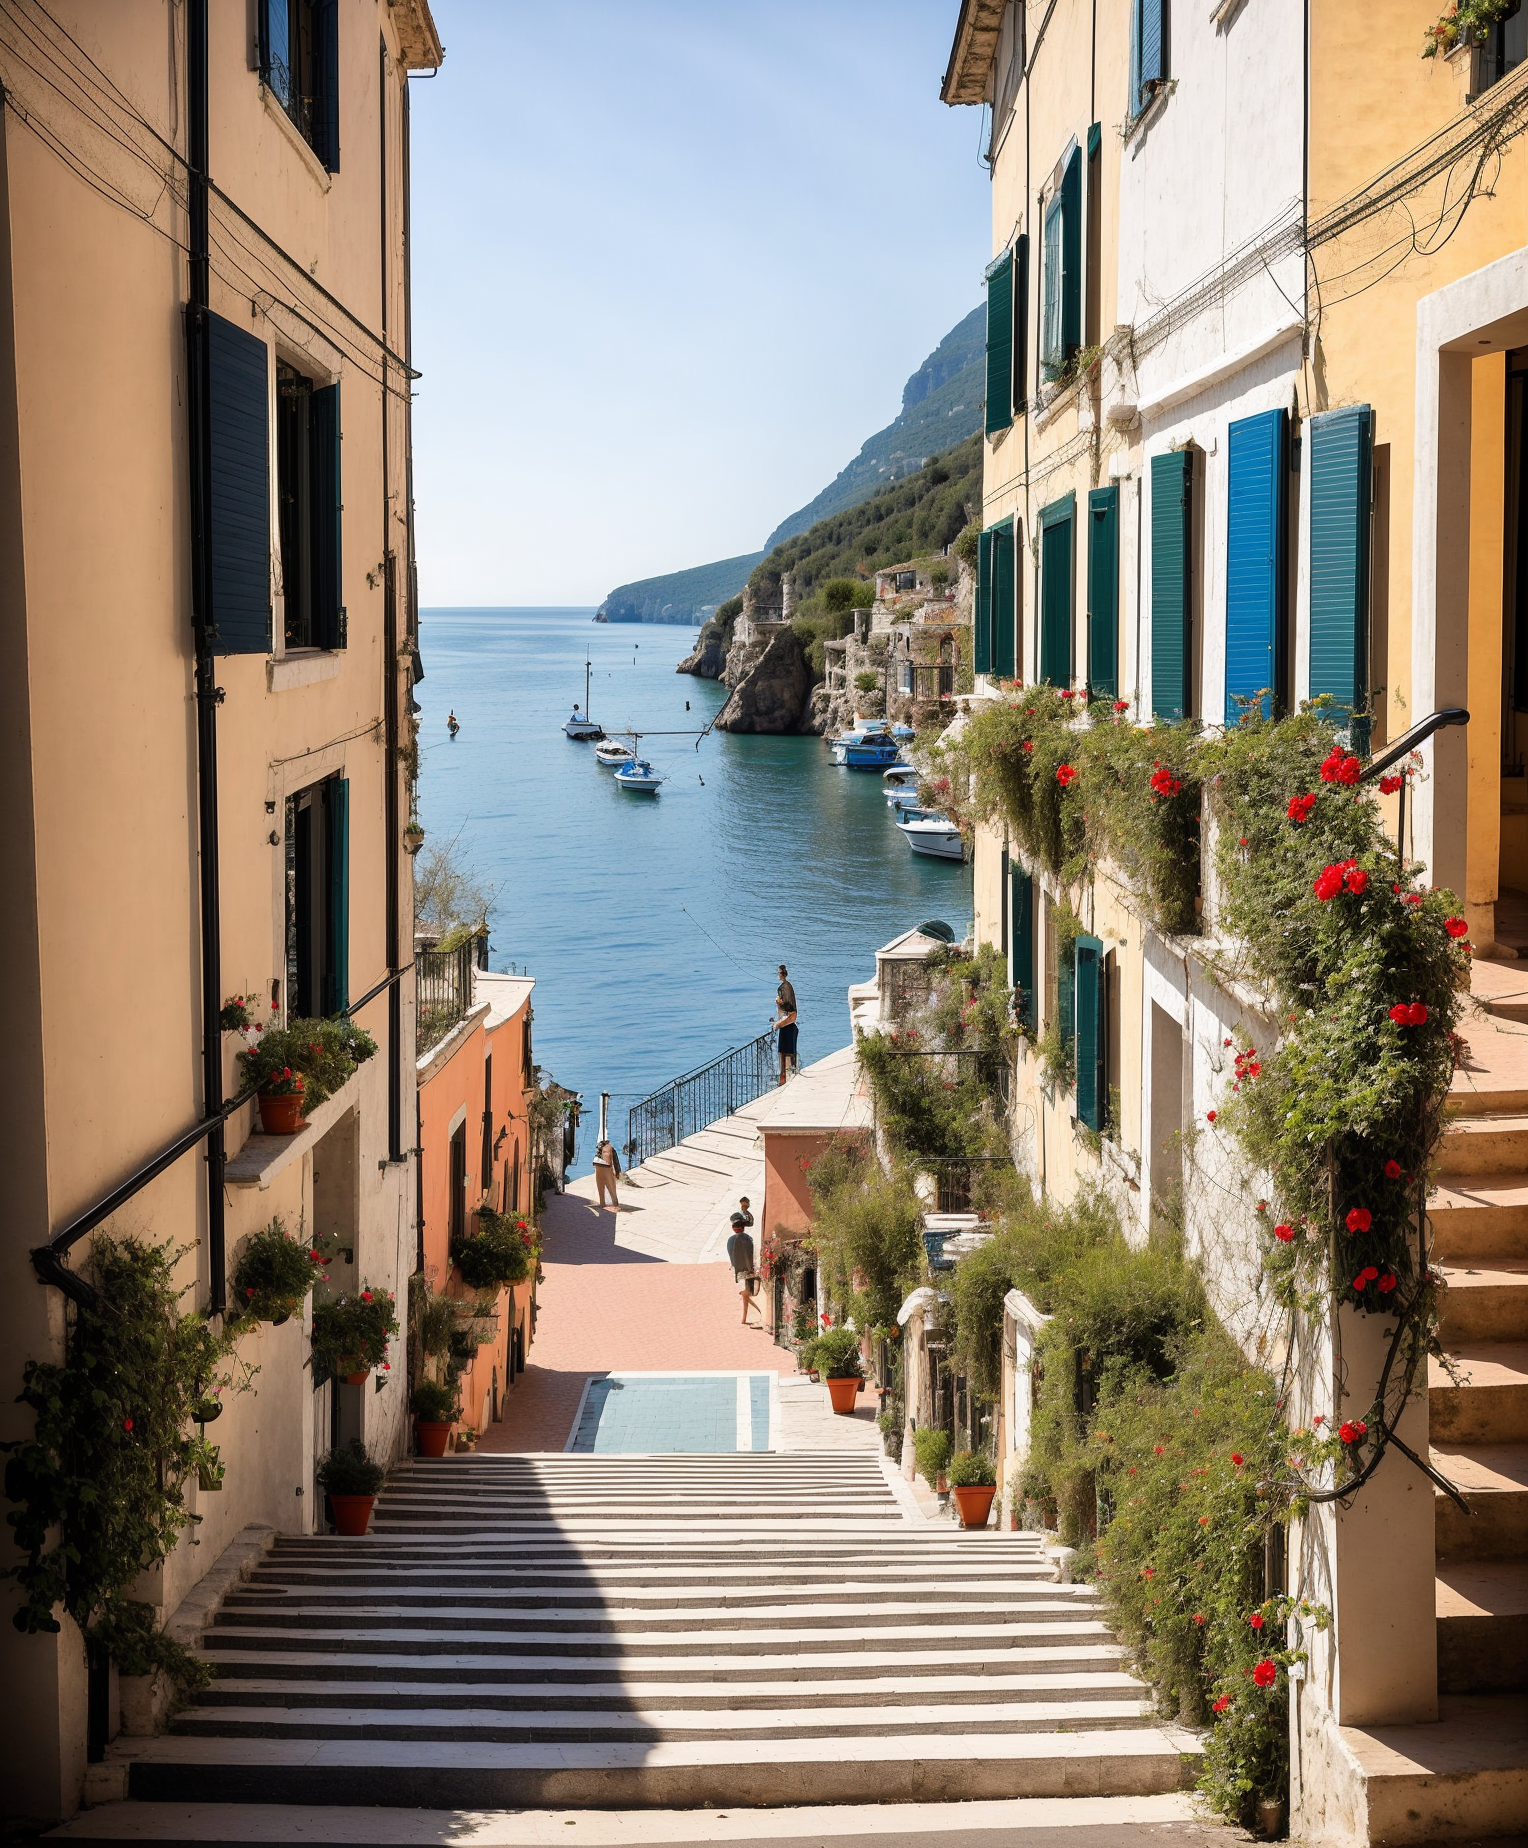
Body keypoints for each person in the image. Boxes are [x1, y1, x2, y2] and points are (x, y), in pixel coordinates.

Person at [726, 1199, 758, 1325]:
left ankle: (745, 1317)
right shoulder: (747, 1239)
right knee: (748, 1291)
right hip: (747, 1268)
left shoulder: (731, 1240)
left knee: (747, 1291)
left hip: (739, 1269)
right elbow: (748, 1255)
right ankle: (746, 1315)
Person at [772, 964, 799, 1086]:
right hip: (789, 1028)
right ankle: (785, 1079)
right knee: (786, 1054)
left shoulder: (785, 988)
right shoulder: (787, 987)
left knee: (785, 1054)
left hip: (787, 1028)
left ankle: (784, 1081)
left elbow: (792, 1015)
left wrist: (778, 1025)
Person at [592, 1136, 621, 1212]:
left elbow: (613, 1161)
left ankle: (604, 1203)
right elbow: (613, 1162)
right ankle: (614, 1203)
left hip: (601, 1166)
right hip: (605, 1167)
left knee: (603, 1185)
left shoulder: (606, 1149)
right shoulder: (609, 1149)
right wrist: (616, 1172)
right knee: (609, 1186)